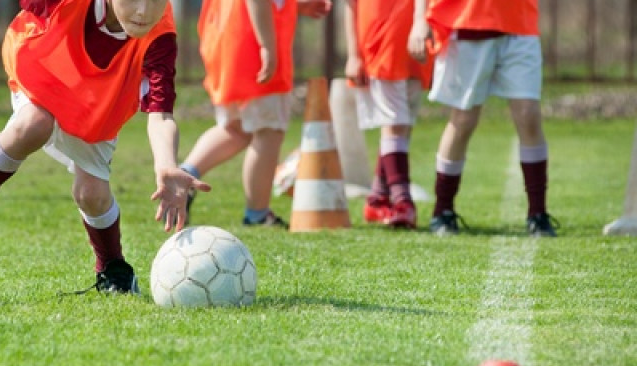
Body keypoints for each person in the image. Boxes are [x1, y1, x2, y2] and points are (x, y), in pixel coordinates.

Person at [0, 0, 210, 294]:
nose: (144, 11)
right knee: (33, 124)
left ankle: (113, 268)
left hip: (97, 105)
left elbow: (161, 114)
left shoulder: (160, 34)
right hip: (44, 68)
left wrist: (166, 164)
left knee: (92, 195)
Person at [409, 0, 558, 237]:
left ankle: (538, 214)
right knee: (463, 120)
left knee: (529, 114)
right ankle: (443, 211)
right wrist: (419, 20)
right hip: (467, 22)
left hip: (520, 24)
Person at [178, 0, 331, 228]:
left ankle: (184, 177)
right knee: (268, 130)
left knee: (235, 128)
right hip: (254, 46)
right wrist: (267, 45)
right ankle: (257, 214)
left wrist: (294, 6)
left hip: (226, 41)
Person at [343, 0, 433, 229]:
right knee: (395, 122)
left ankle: (377, 198)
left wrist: (420, 21)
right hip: (379, 39)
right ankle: (402, 201)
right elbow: (349, 5)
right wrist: (353, 55)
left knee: (403, 126)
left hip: (414, 38)